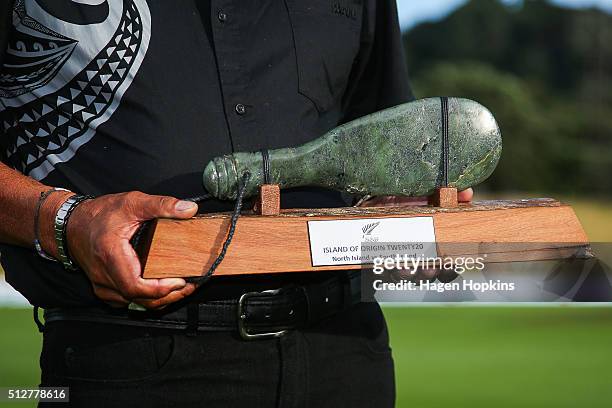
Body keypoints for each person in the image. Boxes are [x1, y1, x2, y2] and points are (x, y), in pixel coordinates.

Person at [0, 1, 471, 406]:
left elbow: (380, 146)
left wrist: (405, 211)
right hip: (127, 355)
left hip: (344, 352)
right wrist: (62, 221)